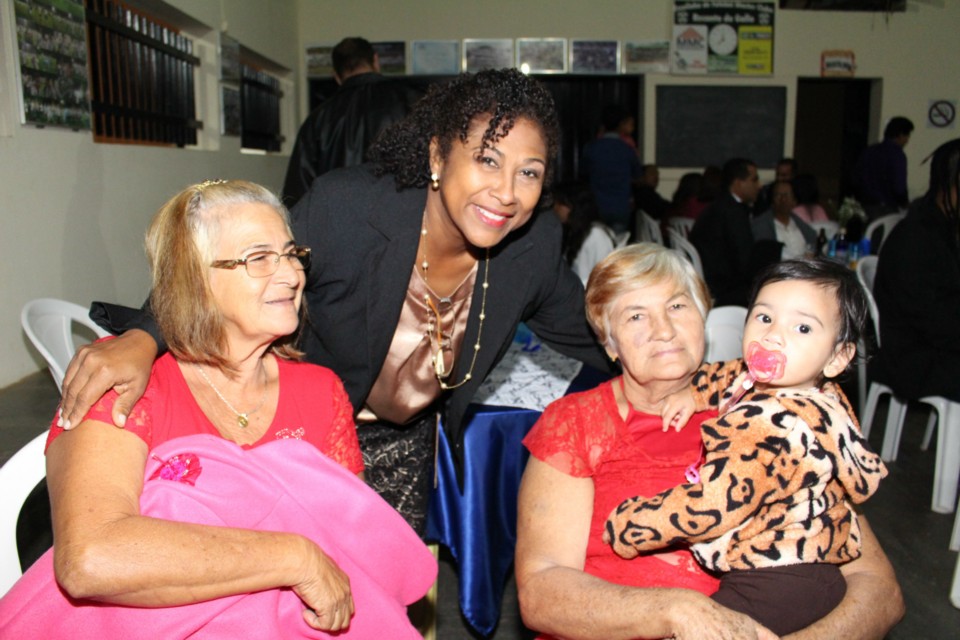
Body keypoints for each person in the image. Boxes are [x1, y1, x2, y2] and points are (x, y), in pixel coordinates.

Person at [58, 69, 613, 536]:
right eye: (488, 161)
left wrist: (671, 364)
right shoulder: (350, 207)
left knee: (377, 592)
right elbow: (226, 274)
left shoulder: (532, 246)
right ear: (438, 155)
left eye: (530, 173)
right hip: (303, 435)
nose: (508, 191)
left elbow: (589, 331)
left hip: (405, 443)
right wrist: (142, 337)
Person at [0, 180, 436, 637]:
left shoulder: (319, 391)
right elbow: (91, 558)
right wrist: (292, 557)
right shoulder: (129, 382)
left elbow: (353, 547)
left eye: (290, 254)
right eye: (259, 258)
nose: (291, 275)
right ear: (196, 279)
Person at [515, 243, 904, 640]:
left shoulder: (780, 408)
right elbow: (542, 591)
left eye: (678, 306)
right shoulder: (576, 422)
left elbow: (877, 586)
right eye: (635, 315)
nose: (663, 329)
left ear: (704, 317)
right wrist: (677, 610)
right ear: (610, 343)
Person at [604, 257, 886, 636]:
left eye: (802, 327)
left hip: (776, 577)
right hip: (814, 566)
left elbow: (711, 505)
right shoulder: (813, 391)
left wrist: (630, 523)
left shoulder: (767, 427)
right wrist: (696, 390)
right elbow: (735, 373)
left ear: (837, 358)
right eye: (764, 318)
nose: (772, 336)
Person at [281, 37, 425, 208]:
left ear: (336, 75)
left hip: (340, 223)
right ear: (376, 61)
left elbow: (298, 195)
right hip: (404, 217)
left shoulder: (317, 120)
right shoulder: (414, 102)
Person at [874, 137, 960, 402]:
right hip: (913, 359)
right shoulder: (917, 237)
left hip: (937, 346)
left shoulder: (944, 227)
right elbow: (931, 319)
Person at [689, 157, 762, 306]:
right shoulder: (733, 212)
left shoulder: (718, 205)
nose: (759, 185)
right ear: (738, 183)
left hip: (710, 278)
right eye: (754, 180)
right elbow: (744, 260)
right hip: (724, 287)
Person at [580, 104, 642, 234]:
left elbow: (584, 174)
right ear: (621, 125)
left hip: (597, 207)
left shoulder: (592, 148)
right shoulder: (627, 149)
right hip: (620, 207)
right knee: (617, 247)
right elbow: (637, 175)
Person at [553, 182, 619, 285]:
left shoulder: (596, 235)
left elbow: (604, 279)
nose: (555, 209)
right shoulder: (574, 232)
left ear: (570, 206)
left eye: (558, 203)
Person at [854, 116, 914, 219]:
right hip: (886, 210)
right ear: (900, 135)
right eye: (907, 136)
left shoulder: (869, 151)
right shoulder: (897, 155)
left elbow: (856, 179)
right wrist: (905, 204)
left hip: (865, 208)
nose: (907, 140)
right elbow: (899, 188)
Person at [751, 179, 817, 260]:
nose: (783, 199)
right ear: (772, 200)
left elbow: (813, 245)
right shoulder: (761, 225)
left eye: (787, 195)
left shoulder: (802, 226)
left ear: (794, 200)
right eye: (778, 195)